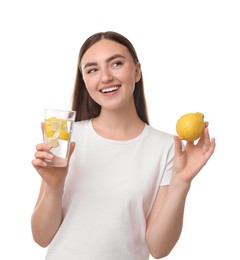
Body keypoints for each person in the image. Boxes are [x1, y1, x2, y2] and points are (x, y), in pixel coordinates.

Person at [31, 31, 216, 260]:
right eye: (92, 69)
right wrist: (54, 187)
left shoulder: (167, 147)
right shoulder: (67, 136)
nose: (105, 77)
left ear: (137, 71)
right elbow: (41, 237)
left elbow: (158, 248)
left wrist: (181, 182)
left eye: (116, 63)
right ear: (85, 80)